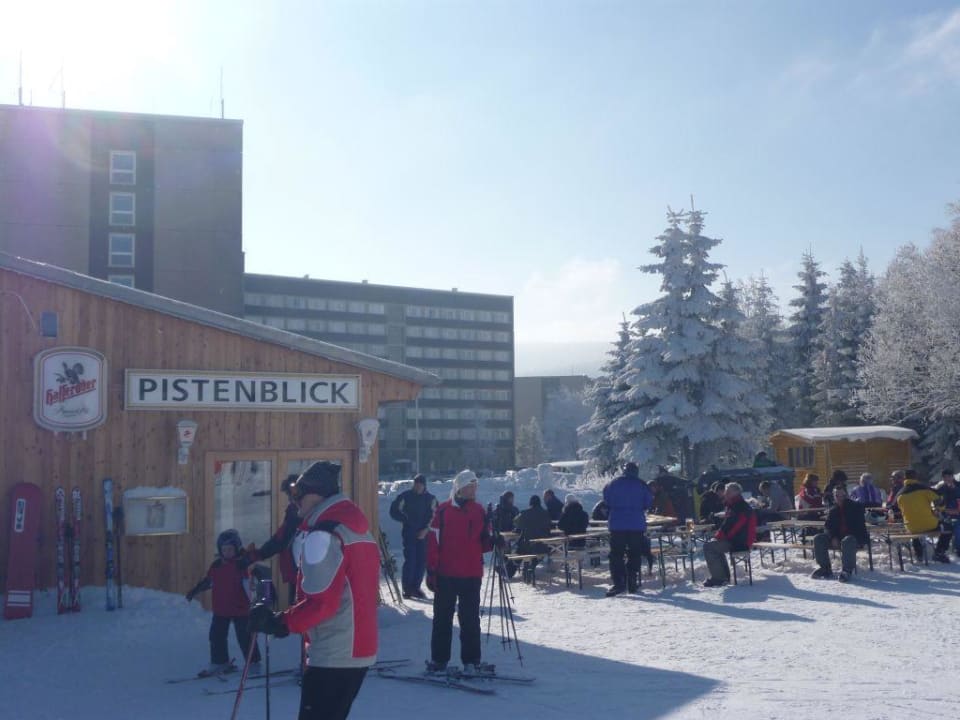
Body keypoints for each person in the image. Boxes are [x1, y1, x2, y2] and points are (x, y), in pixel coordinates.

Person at [248, 461, 379, 720]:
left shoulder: (323, 535)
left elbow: (322, 604)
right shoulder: (354, 528)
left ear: (316, 494)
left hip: (334, 651)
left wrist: (280, 623)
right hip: (355, 648)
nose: (295, 502)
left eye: (298, 494)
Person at [425, 469, 495, 674]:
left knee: (471, 620)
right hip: (446, 574)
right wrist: (431, 570)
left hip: (471, 574)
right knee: (442, 620)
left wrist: (494, 539)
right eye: (470, 486)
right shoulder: (443, 511)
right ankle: (439, 660)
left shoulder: (479, 510)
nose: (474, 490)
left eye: (475, 486)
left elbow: (484, 544)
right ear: (460, 488)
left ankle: (471, 661)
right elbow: (433, 543)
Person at [186, 528, 261, 675]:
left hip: (241, 609)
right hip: (221, 609)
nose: (227, 552)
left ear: (237, 549)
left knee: (244, 636)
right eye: (224, 549)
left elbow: (251, 584)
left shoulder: (242, 565)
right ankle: (220, 662)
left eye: (230, 549)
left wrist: (257, 604)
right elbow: (209, 581)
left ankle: (253, 662)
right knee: (216, 635)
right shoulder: (217, 566)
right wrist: (196, 590)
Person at [602, 462, 653, 597]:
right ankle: (632, 579)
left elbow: (606, 500)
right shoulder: (642, 484)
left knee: (616, 554)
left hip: (617, 524)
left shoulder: (613, 483)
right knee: (635, 552)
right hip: (636, 525)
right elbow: (648, 502)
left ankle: (619, 582)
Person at [248, 474, 301, 605]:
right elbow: (281, 537)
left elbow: (280, 540)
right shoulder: (295, 511)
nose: (291, 499)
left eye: (292, 494)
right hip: (300, 572)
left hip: (303, 573)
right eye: (289, 495)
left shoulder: (298, 513)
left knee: (299, 610)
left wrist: (259, 554)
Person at [388, 474, 438, 600]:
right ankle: (407, 588)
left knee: (421, 561)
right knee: (411, 560)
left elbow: (435, 516)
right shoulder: (406, 496)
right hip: (409, 533)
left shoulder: (430, 499)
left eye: (420, 484)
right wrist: (405, 519)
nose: (418, 487)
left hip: (424, 534)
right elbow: (393, 510)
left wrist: (426, 530)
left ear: (424, 485)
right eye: (416, 484)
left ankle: (416, 587)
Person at [702, 483, 757, 588]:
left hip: (739, 542)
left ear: (734, 493)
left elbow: (732, 527)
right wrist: (719, 535)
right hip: (740, 539)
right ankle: (723, 577)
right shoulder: (737, 505)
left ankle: (719, 578)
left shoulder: (738, 506)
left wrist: (718, 536)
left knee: (709, 547)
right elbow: (730, 525)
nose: (725, 494)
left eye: (727, 492)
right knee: (714, 545)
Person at [811, 485, 869, 582]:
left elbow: (859, 527)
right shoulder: (833, 509)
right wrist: (833, 537)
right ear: (834, 496)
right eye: (837, 495)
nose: (839, 498)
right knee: (818, 538)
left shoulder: (855, 507)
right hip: (838, 537)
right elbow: (828, 527)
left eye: (841, 495)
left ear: (846, 495)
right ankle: (825, 568)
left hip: (854, 537)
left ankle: (847, 570)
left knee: (847, 540)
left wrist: (842, 537)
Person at [897, 469, 951, 563]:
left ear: (904, 478)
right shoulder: (923, 488)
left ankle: (919, 554)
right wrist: (939, 509)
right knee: (948, 528)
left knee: (915, 531)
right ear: (916, 477)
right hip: (929, 524)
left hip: (910, 526)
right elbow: (939, 499)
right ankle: (939, 552)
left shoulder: (899, 494)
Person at [514, 495, 554, 578]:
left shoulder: (525, 513)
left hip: (528, 546)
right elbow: (550, 527)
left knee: (518, 549)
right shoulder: (545, 513)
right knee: (530, 549)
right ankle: (530, 567)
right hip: (543, 545)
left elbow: (516, 522)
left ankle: (509, 570)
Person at [934, 471, 960, 557]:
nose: (947, 479)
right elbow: (935, 499)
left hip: (957, 514)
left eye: (949, 476)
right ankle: (941, 551)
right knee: (945, 531)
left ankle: (958, 549)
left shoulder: (958, 486)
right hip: (947, 515)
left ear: (952, 477)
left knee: (958, 531)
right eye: (945, 477)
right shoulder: (942, 488)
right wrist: (938, 507)